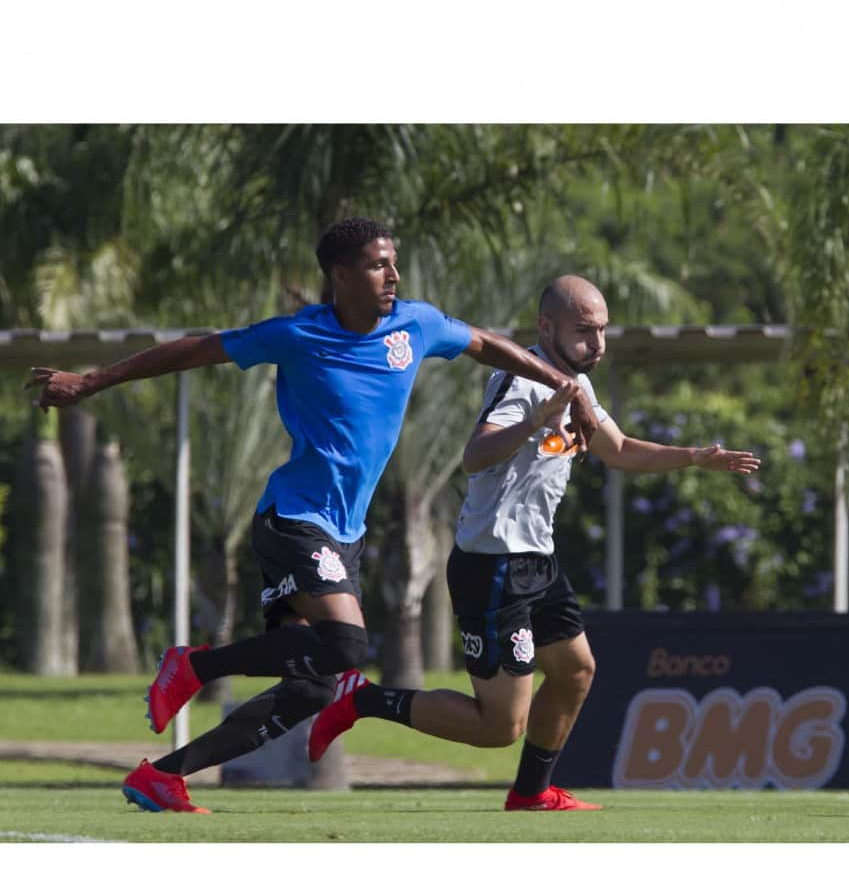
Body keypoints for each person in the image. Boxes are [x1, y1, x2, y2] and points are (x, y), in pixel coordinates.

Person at [24, 217, 599, 814]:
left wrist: (564, 383)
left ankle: (163, 776)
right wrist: (92, 381)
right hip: (294, 519)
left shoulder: (416, 325)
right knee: (347, 648)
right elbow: (195, 350)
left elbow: (485, 344)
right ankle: (195, 664)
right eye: (379, 265)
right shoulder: (297, 335)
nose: (393, 275)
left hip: (341, 535)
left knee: (311, 688)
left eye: (394, 262)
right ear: (341, 274)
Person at [307, 274, 761, 810]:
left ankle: (530, 792)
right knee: (500, 727)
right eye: (585, 331)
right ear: (547, 327)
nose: (598, 344)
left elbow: (618, 449)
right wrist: (535, 422)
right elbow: (474, 457)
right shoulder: (517, 380)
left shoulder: (578, 384)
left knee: (575, 672)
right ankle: (362, 699)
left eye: (603, 331)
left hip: (536, 563)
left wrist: (693, 457)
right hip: (491, 567)